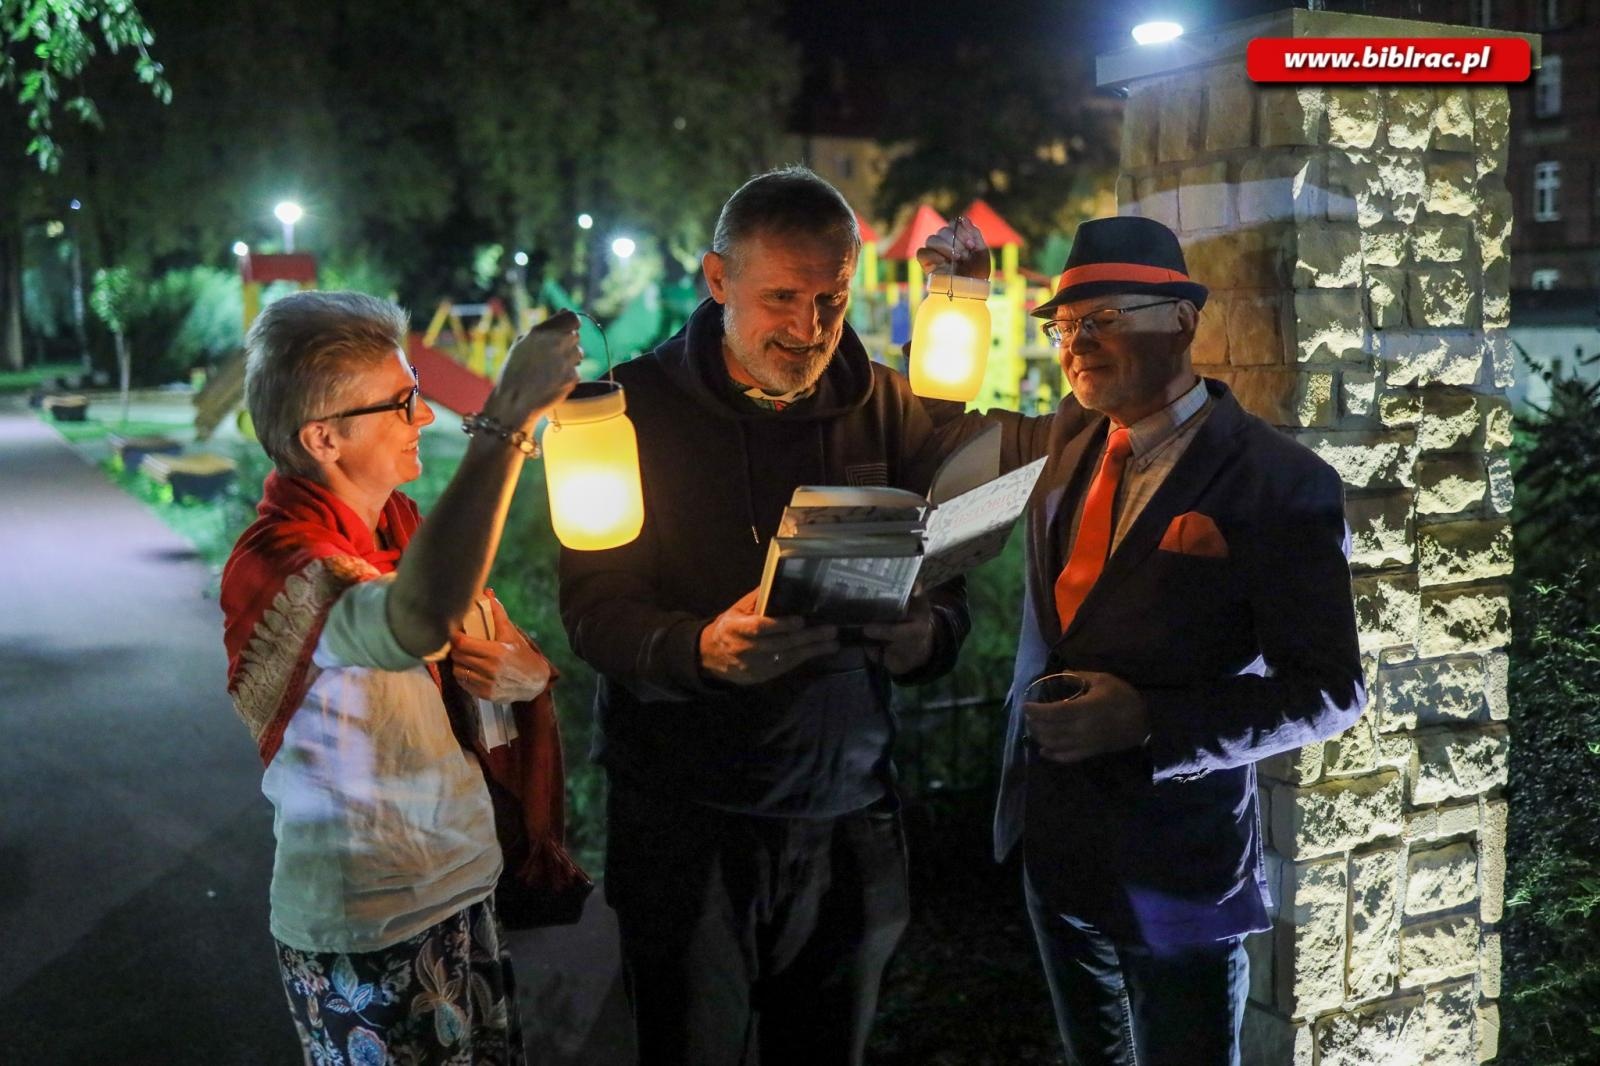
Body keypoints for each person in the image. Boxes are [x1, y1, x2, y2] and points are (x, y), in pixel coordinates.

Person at [916, 215, 1366, 1065]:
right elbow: (940, 444)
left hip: (1178, 874)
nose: (1077, 343)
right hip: (1054, 855)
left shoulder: (1280, 482)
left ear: (1182, 321)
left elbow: (1330, 691)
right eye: (1065, 325)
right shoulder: (1064, 441)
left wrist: (1152, 722)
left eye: (1105, 319)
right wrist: (960, 296)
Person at [557, 166, 969, 1066]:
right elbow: (592, 615)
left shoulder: (891, 408)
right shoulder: (631, 412)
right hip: (687, 826)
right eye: (782, 296)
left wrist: (923, 636)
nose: (811, 328)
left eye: (832, 297)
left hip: (848, 815)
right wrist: (696, 647)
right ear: (717, 280)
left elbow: (948, 595)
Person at [220, 291, 582, 1065]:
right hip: (371, 928)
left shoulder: (402, 526)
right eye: (402, 401)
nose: (423, 416)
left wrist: (528, 674)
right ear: (323, 437)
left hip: (465, 887)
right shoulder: (287, 568)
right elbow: (415, 618)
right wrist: (507, 419)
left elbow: (492, 638)